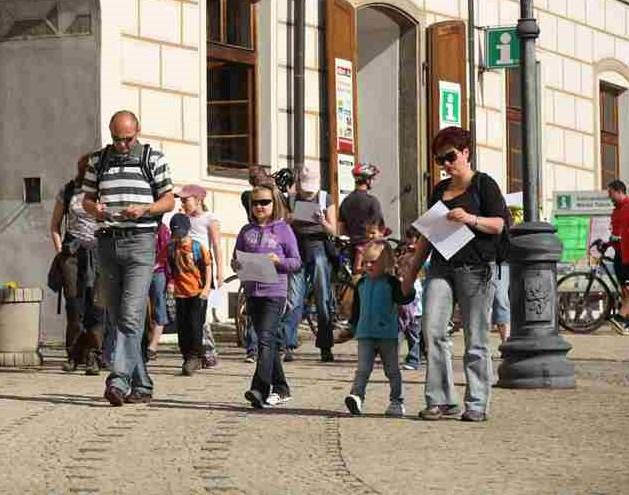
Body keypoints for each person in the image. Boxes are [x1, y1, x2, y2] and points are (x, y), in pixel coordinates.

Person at [82, 110, 175, 406]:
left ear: (137, 131)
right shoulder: (98, 160)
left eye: (127, 139)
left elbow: (169, 200)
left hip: (140, 242)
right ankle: (143, 384)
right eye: (116, 139)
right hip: (108, 243)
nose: (122, 145)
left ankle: (118, 380)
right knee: (118, 315)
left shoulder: (153, 159)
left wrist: (144, 209)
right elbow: (86, 198)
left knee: (131, 314)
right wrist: (93, 209)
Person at [415, 126, 507, 423]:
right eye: (440, 159)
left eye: (450, 156)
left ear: (466, 152)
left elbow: (499, 224)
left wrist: (470, 218)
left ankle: (477, 401)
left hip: (477, 267)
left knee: (476, 335)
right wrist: (410, 274)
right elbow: (427, 236)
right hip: (441, 265)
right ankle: (441, 400)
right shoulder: (440, 191)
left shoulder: (484, 185)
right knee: (432, 329)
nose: (445, 164)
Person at [232, 184, 301, 408]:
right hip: (253, 292)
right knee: (267, 340)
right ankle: (281, 388)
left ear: (274, 204)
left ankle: (259, 389)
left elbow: (296, 262)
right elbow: (236, 258)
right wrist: (237, 264)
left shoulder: (283, 230)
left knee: (264, 339)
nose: (260, 207)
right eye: (255, 203)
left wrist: (278, 261)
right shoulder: (246, 231)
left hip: (275, 291)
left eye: (265, 202)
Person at [344, 240, 422, 417]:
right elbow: (356, 309)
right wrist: (352, 327)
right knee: (362, 369)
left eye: (373, 262)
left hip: (387, 335)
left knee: (392, 370)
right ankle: (357, 396)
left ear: (385, 262)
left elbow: (405, 298)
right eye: (365, 262)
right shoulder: (361, 284)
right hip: (365, 334)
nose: (368, 265)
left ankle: (397, 401)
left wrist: (407, 285)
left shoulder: (391, 283)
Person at [50, 154, 104, 375]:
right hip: (72, 253)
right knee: (74, 305)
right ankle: (73, 354)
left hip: (99, 252)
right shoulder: (69, 190)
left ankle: (94, 355)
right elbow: (54, 225)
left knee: (97, 305)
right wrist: (60, 252)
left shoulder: (104, 191)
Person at [281, 166, 337, 362]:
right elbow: (284, 226)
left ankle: (325, 346)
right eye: (304, 189)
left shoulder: (324, 198)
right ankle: (288, 344)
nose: (307, 192)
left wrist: (323, 222)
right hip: (297, 248)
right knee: (294, 299)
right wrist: (289, 220)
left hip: (318, 247)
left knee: (322, 299)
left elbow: (333, 231)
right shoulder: (292, 199)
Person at [177, 184, 223, 367]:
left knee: (201, 316)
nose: (183, 203)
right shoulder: (184, 220)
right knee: (190, 316)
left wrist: (220, 271)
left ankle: (209, 351)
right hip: (186, 272)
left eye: (186, 200)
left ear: (198, 200)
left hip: (204, 270)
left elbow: (217, 246)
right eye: (181, 200)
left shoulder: (209, 219)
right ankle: (196, 351)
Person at [165, 214, 212, 375]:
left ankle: (196, 357)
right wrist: (170, 283)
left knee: (195, 325)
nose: (179, 237)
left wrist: (206, 288)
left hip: (197, 293)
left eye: (181, 233)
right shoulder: (172, 248)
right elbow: (166, 265)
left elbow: (207, 267)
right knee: (183, 328)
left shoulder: (198, 247)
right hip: (180, 294)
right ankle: (186, 356)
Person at [338, 163, 384, 273]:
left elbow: (341, 229)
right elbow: (379, 228)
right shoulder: (373, 201)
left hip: (352, 248)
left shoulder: (346, 201)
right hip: (370, 249)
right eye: (372, 179)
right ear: (367, 180)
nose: (373, 181)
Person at [398, 226, 425, 370]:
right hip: (401, 313)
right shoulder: (402, 279)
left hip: (415, 314)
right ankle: (391, 357)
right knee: (398, 335)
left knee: (414, 337)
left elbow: (418, 299)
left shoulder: (417, 283)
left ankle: (414, 359)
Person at [607, 180, 629, 335]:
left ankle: (621, 318)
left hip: (628, 254)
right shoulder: (615, 211)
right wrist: (608, 243)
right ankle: (623, 321)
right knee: (625, 290)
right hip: (619, 255)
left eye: (610, 193)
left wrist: (620, 239)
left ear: (619, 191)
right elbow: (616, 233)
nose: (609, 196)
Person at [147, 223, 171, 360]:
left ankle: (153, 346)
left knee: (159, 306)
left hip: (158, 272)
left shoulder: (162, 229)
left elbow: (166, 252)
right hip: (141, 270)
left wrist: (157, 264)